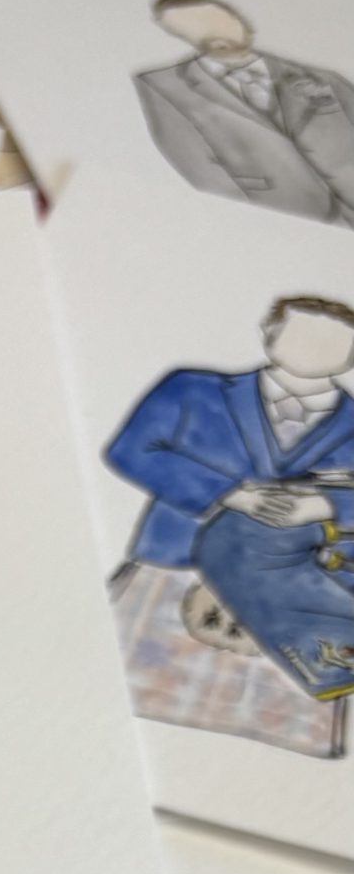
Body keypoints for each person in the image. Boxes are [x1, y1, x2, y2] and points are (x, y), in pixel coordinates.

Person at [103, 293, 354, 754]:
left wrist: (322, 507)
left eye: (333, 340)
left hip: (300, 591)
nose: (314, 346)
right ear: (269, 334)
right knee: (119, 710)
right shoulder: (192, 390)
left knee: (272, 739)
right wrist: (230, 493)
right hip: (174, 564)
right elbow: (132, 449)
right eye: (301, 333)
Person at [136, 0, 354, 226]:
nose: (212, 33)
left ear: (242, 21)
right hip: (280, 219)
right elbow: (201, 171)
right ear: (176, 33)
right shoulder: (163, 86)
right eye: (190, 26)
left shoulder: (323, 78)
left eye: (217, 21)